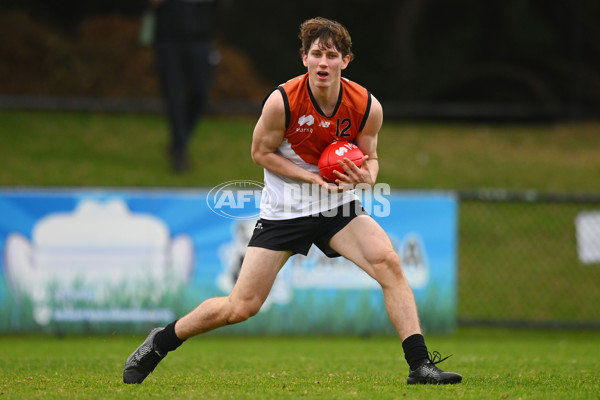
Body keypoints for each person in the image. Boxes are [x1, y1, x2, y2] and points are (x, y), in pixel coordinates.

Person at [123, 16, 462, 385]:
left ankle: (420, 366)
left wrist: (368, 177)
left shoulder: (366, 105)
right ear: (304, 58)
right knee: (241, 307)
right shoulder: (282, 101)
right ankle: (161, 341)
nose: (323, 62)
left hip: (336, 207)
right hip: (285, 211)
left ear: (345, 61)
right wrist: (312, 177)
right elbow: (259, 153)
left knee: (389, 264)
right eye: (316, 53)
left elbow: (372, 157)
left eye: (331, 55)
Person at [150, 0, 218, 172]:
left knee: (200, 91)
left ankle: (180, 140)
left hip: (200, 37)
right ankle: (179, 150)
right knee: (174, 95)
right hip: (168, 38)